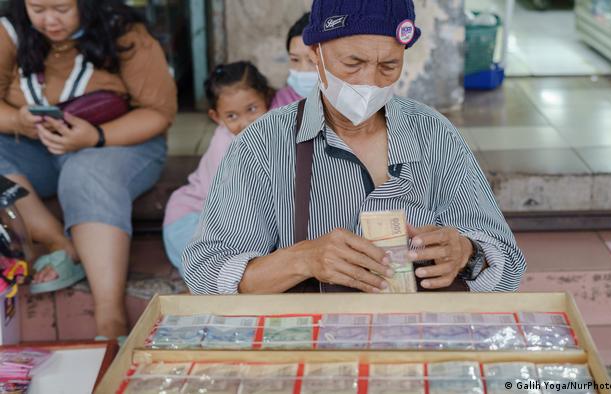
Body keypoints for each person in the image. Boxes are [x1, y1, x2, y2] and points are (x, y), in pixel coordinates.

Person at [183, 0, 526, 295]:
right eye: (352, 64)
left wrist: (468, 253)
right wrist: (303, 259)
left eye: (388, 66)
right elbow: (205, 273)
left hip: (417, 342)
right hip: (315, 351)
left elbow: (508, 267)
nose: (370, 82)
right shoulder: (263, 145)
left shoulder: (434, 135)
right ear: (316, 52)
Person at [0, 0, 177, 339]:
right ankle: (58, 243)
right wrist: (17, 120)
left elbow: (158, 112)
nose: (50, 20)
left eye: (62, 9)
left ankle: (110, 320)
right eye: (37, 8)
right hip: (36, 146)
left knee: (86, 172)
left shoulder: (125, 32)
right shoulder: (9, 32)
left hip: (121, 141)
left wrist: (95, 136)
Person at [163, 62, 274, 275]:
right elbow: (236, 203)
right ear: (216, 117)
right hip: (190, 220)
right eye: (232, 116)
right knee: (217, 273)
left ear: (267, 99)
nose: (245, 123)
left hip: (226, 220)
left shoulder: (271, 130)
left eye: (252, 109)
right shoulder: (224, 145)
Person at [270, 12, 318, 109]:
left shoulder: (351, 101)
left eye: (313, 60)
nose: (304, 69)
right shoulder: (281, 102)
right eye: (295, 60)